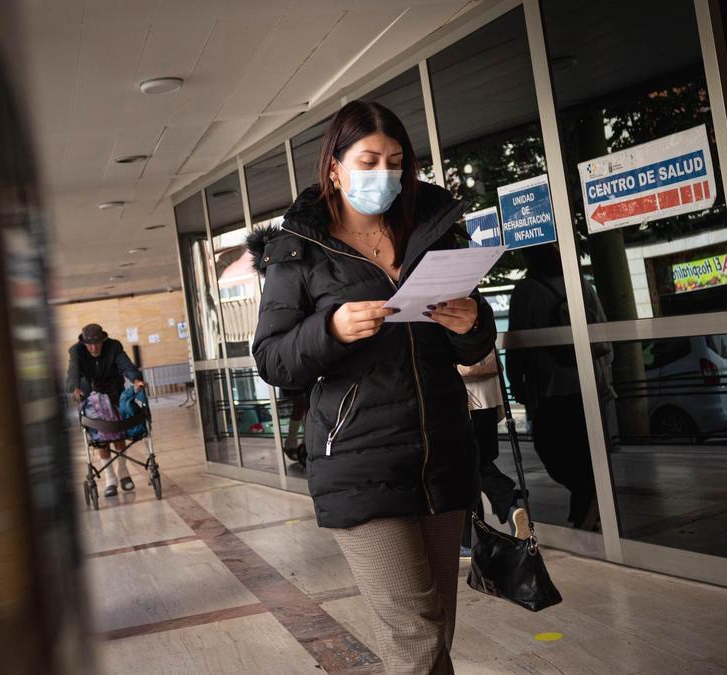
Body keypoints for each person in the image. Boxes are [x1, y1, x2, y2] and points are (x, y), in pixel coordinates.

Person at [249, 100, 495, 674]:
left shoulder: (433, 231)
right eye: (368, 160)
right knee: (415, 629)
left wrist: (472, 323)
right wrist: (329, 330)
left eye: (395, 161)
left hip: (442, 450)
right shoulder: (299, 251)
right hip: (357, 457)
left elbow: (472, 345)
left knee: (436, 625)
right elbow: (272, 359)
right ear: (334, 167)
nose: (383, 173)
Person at [505, 244, 612, 530]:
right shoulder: (581, 285)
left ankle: (586, 495)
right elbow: (601, 329)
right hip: (588, 382)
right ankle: (586, 499)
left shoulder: (527, 290)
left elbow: (517, 343)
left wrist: (516, 381)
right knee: (584, 449)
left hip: (552, 387)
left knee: (551, 448)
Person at [457, 349, 527, 558]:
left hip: (463, 401)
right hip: (487, 398)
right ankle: (473, 537)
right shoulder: (481, 318)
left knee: (464, 467)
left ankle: (473, 538)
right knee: (479, 463)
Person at [65, 324, 146, 497]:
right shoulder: (77, 351)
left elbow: (126, 365)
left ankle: (123, 473)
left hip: (114, 393)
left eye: (97, 343)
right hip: (91, 398)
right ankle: (110, 479)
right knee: (101, 438)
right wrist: (75, 388)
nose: (93, 347)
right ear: (84, 343)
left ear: (103, 340)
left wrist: (136, 380)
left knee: (117, 433)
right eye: (89, 344)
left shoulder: (114, 346)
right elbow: (73, 371)